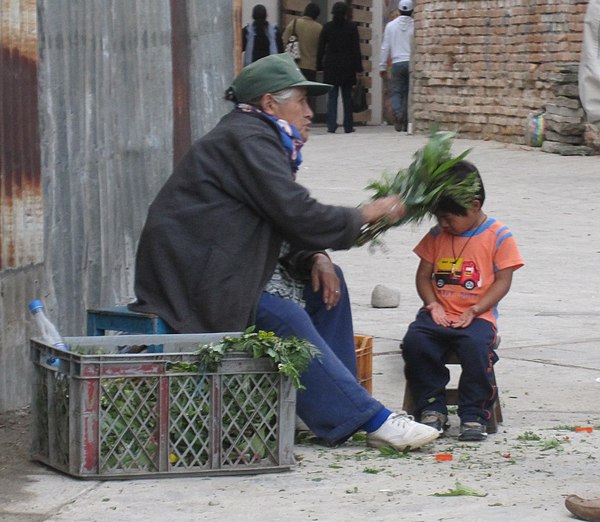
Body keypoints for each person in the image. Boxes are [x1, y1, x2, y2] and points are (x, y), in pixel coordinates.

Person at [130, 52, 439, 451]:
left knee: (328, 282)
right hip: (193, 279)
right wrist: (366, 213)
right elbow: (295, 212)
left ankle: (339, 409)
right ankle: (371, 418)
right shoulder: (246, 138)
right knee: (281, 315)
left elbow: (278, 220)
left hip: (226, 265)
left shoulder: (258, 137)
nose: (311, 112)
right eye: (303, 102)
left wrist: (315, 256)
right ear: (270, 103)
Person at [401, 160, 524, 442]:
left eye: (449, 218)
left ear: (475, 204)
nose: (444, 224)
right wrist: (432, 304)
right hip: (437, 315)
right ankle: (431, 407)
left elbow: (503, 281)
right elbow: (423, 276)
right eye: (439, 218)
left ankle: (474, 413)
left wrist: (477, 309)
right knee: (416, 343)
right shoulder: (436, 236)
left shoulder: (499, 236)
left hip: (477, 317)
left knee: (475, 348)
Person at [317, 2, 363, 134]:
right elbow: (356, 50)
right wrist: (358, 68)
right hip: (347, 67)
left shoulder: (327, 27)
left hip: (331, 66)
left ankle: (331, 125)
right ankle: (348, 125)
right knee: (347, 97)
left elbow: (321, 48)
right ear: (345, 13)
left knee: (332, 97)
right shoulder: (352, 27)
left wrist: (319, 64)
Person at [379, 0, 414, 132]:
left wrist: (382, 66)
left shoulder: (390, 26)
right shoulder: (415, 25)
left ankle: (397, 112)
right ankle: (405, 120)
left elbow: (385, 47)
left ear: (399, 10)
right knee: (407, 93)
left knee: (396, 91)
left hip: (397, 63)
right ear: (411, 11)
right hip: (410, 63)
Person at [282, 3, 322, 82]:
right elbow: (321, 48)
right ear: (317, 15)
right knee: (309, 91)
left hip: (295, 65)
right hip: (311, 67)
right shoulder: (319, 28)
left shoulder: (294, 23)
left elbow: (284, 41)